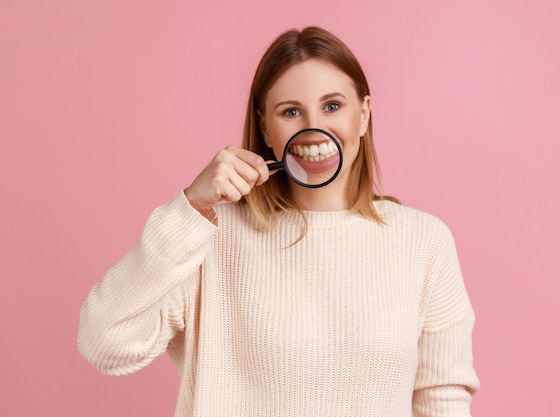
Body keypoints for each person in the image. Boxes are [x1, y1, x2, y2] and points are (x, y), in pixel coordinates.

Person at [78, 26, 479, 417]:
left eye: (333, 106)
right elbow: (105, 343)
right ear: (266, 127)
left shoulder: (423, 241)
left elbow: (441, 400)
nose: (312, 127)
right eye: (290, 111)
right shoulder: (208, 235)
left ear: (364, 114)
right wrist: (190, 208)